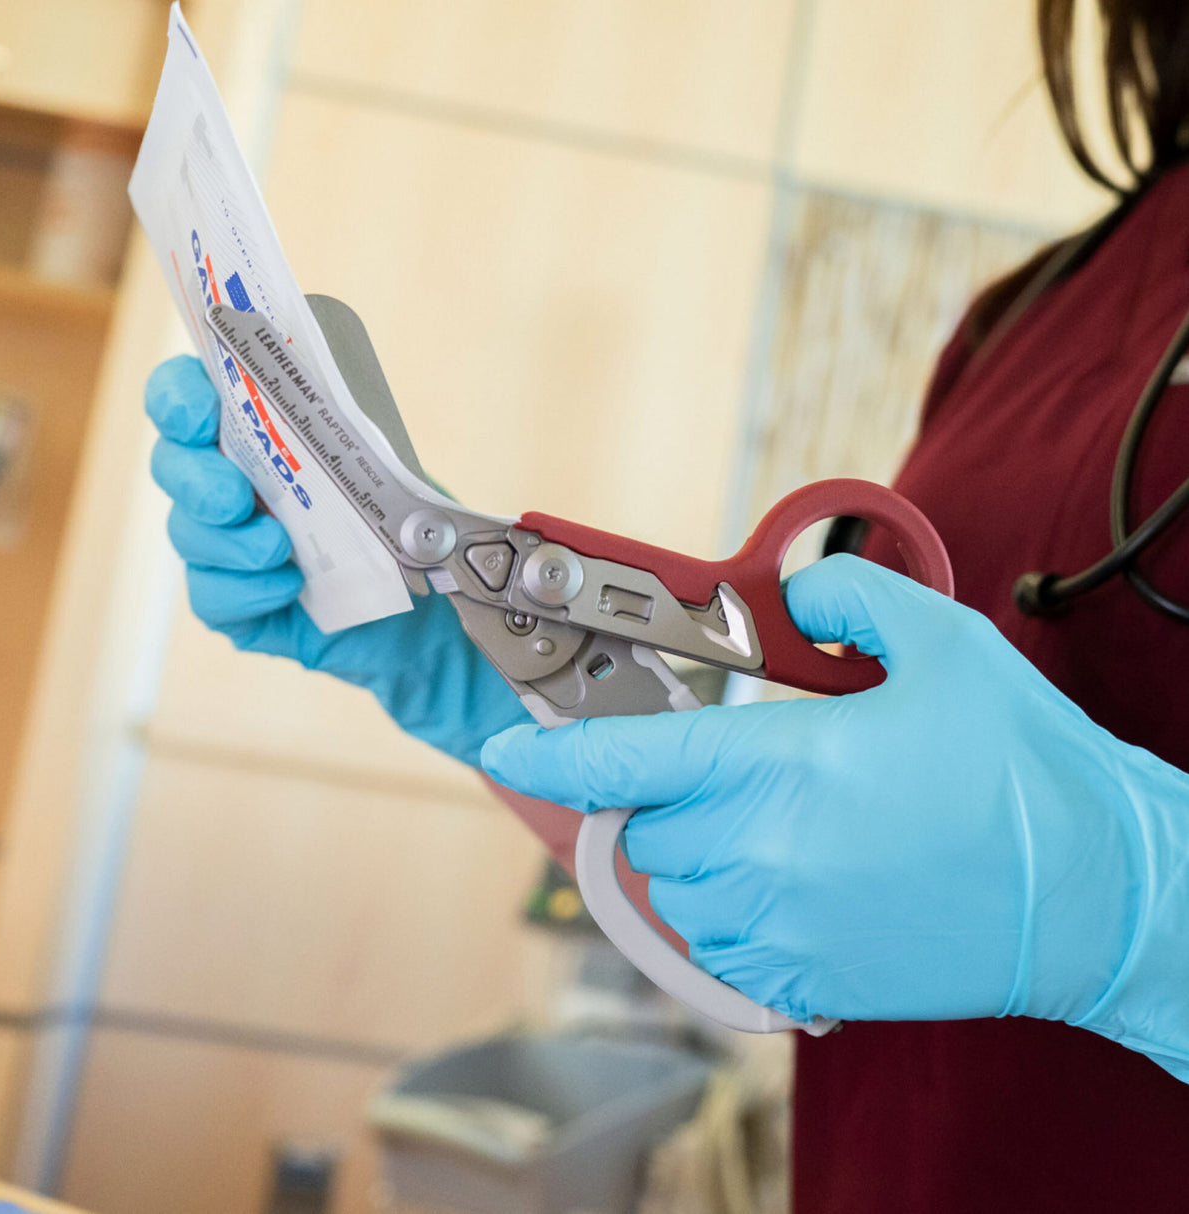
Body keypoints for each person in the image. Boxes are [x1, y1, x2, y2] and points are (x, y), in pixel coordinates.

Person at [145, 1, 1189, 1209]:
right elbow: (826, 881)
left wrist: (1135, 905)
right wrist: (492, 656)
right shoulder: (1039, 309)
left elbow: (1018, 877)